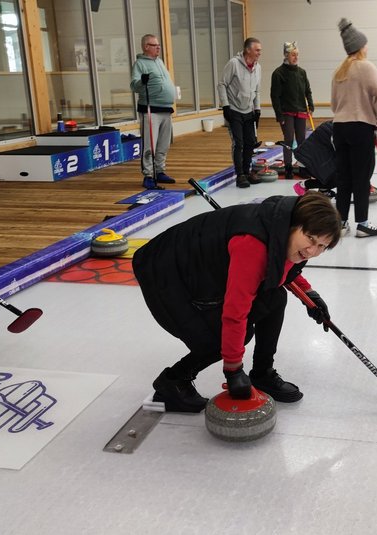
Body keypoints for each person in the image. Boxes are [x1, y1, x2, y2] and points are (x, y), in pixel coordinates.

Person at [132, 192, 341, 412]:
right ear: (294, 224)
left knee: (274, 297)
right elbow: (235, 312)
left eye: (322, 246)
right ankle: (172, 382)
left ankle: (262, 373)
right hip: (164, 273)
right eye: (310, 238)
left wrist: (309, 295)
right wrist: (233, 369)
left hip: (197, 267)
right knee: (217, 339)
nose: (311, 251)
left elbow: (280, 266)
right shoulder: (253, 245)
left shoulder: (282, 229)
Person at [331, 18, 377, 238]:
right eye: (365, 44)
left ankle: (341, 221)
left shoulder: (339, 70)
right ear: (360, 47)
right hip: (360, 127)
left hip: (339, 127)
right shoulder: (365, 66)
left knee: (344, 176)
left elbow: (333, 103)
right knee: (361, 175)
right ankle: (363, 223)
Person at [130, 34, 176, 190]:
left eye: (159, 45)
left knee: (164, 144)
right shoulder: (139, 64)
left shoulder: (160, 62)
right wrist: (141, 81)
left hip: (165, 108)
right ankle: (148, 175)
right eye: (154, 45)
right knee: (149, 145)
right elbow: (134, 86)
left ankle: (160, 170)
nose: (158, 47)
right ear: (146, 47)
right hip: (150, 109)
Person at [219, 38, 263, 189]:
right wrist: (225, 106)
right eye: (257, 50)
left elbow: (257, 90)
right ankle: (240, 175)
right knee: (239, 143)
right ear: (248, 50)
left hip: (248, 110)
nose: (260, 53)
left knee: (250, 142)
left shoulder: (258, 67)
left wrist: (257, 109)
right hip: (234, 109)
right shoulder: (233, 64)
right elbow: (222, 85)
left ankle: (247, 170)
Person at [270, 41, 313, 181]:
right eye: (293, 54)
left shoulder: (302, 72)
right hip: (286, 113)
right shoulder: (278, 73)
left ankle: (302, 166)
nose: (296, 57)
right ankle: (288, 167)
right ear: (286, 55)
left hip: (301, 111)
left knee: (302, 141)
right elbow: (275, 96)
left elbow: (307, 91)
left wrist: (310, 106)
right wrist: (279, 115)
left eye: (297, 54)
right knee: (288, 140)